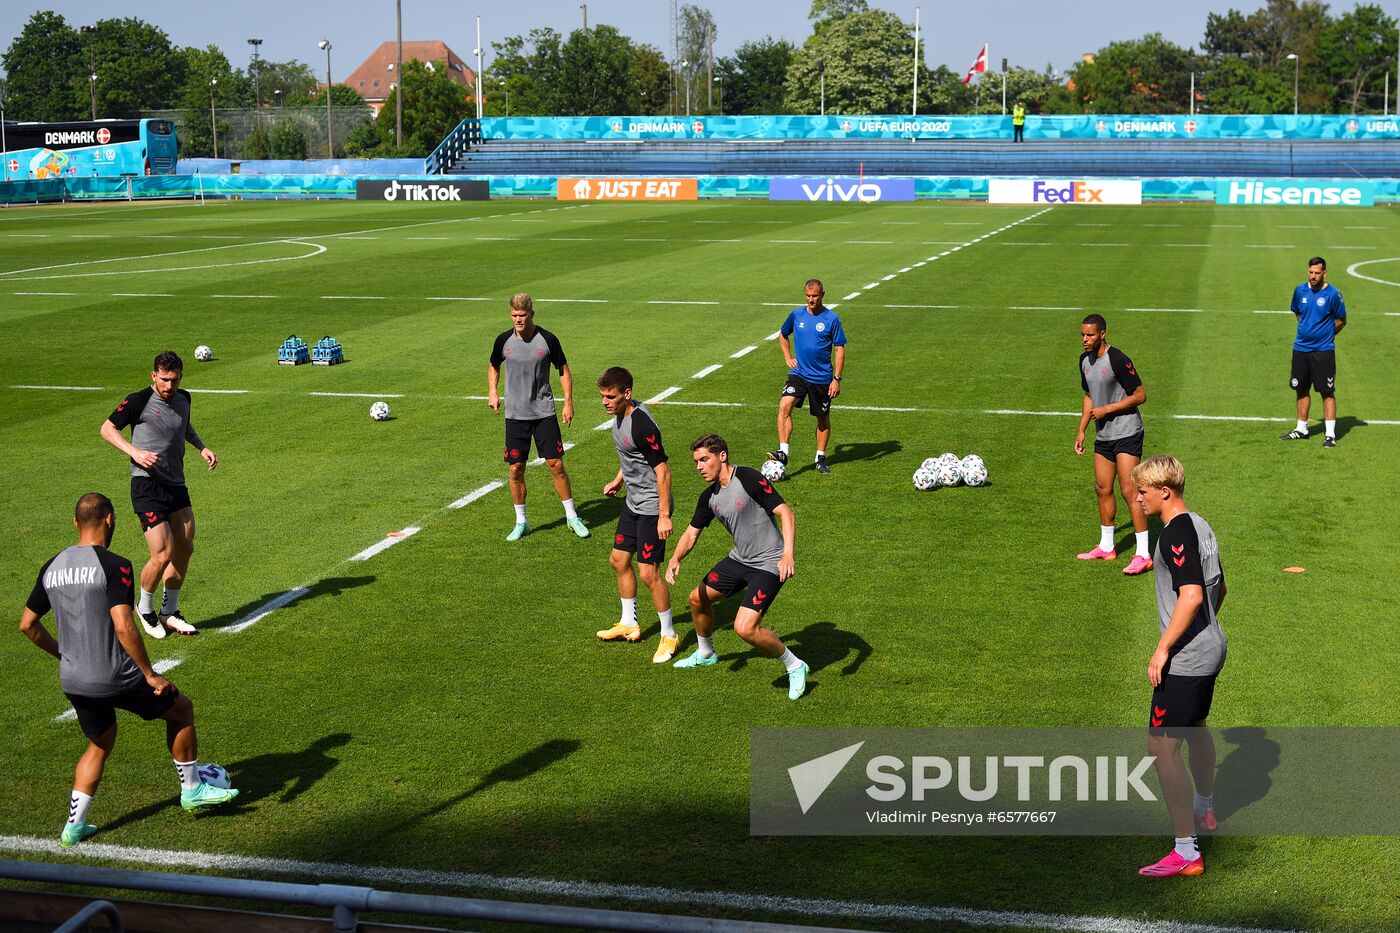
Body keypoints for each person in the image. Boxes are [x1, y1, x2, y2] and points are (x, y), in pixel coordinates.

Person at [19, 493, 239, 848]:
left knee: (99, 742)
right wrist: (150, 674)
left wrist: (64, 655)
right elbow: (123, 624)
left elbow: (28, 625)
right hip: (113, 675)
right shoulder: (114, 564)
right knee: (181, 710)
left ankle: (74, 827)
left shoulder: (51, 567)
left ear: (75, 522)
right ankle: (192, 790)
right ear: (109, 519)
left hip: (73, 679)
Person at [1130, 456, 1226, 877]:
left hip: (1187, 657)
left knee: (1162, 748)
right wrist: (1206, 628)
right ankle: (1204, 808)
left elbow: (1189, 596)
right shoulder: (1202, 524)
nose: (1137, 497)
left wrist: (1164, 648)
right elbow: (1219, 587)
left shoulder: (1173, 535)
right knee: (1197, 727)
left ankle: (1186, 852)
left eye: (1143, 491)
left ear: (1164, 491)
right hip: (1211, 645)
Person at [665, 434, 809, 700]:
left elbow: (786, 513)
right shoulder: (709, 497)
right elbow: (691, 533)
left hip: (769, 562)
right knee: (697, 598)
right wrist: (675, 558)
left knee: (745, 628)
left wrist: (787, 555)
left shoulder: (749, 478)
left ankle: (795, 665)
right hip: (740, 559)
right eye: (696, 461)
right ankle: (706, 653)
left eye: (704, 459)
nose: (699, 466)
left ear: (722, 456)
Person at [101, 351, 217, 638]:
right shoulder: (138, 400)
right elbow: (107, 428)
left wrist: (201, 447)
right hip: (147, 486)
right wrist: (135, 452)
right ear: (154, 376)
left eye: (174, 380)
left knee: (185, 547)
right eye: (164, 380)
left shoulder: (184, 398)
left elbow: (183, 424)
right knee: (163, 551)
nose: (169, 386)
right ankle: (145, 608)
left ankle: (169, 612)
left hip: (175, 483)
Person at [487, 294, 590, 541]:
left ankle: (572, 517)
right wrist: (492, 392)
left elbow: (563, 370)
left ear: (531, 314)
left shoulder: (548, 340)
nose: (518, 320)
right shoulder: (503, 340)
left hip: (544, 413)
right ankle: (521, 522)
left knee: (556, 465)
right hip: (515, 416)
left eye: (522, 315)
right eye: (514, 316)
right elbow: (493, 365)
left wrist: (568, 402)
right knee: (515, 469)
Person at [595, 367, 680, 663]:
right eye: (603, 397)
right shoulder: (620, 417)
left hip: (652, 507)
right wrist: (619, 479)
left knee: (648, 572)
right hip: (634, 502)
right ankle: (629, 623)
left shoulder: (642, 425)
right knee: (618, 560)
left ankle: (669, 634)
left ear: (627, 394)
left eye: (611, 397)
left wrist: (664, 515)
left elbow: (663, 471)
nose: (605, 402)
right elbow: (633, 456)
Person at [1074, 314, 1152, 575]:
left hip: (1127, 432)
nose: (1085, 340)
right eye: (1083, 335)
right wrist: (1082, 430)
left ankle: (1143, 554)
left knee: (1130, 490)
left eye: (1090, 335)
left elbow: (1140, 394)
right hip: (1103, 436)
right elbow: (1088, 396)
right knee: (1102, 488)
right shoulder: (1084, 361)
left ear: (1103, 334)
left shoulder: (1117, 359)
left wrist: (1108, 409)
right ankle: (1107, 547)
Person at [773, 279, 846, 475]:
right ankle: (783, 452)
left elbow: (839, 349)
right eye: (808, 296)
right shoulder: (796, 315)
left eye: (814, 296)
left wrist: (836, 379)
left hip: (822, 378)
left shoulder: (832, 319)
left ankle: (820, 457)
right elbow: (782, 334)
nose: (811, 300)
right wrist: (788, 357)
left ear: (823, 294)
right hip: (799, 373)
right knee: (784, 405)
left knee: (822, 418)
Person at [1280, 256, 1346, 447]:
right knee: (1300, 388)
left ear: (1324, 273)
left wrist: (1325, 334)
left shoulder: (1333, 294)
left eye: (1317, 273)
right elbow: (1297, 312)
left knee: (1326, 391)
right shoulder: (1299, 291)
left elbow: (1342, 319)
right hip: (1301, 348)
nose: (1313, 276)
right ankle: (1301, 428)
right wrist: (1308, 330)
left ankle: (1330, 435)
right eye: (1311, 272)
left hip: (1323, 350)